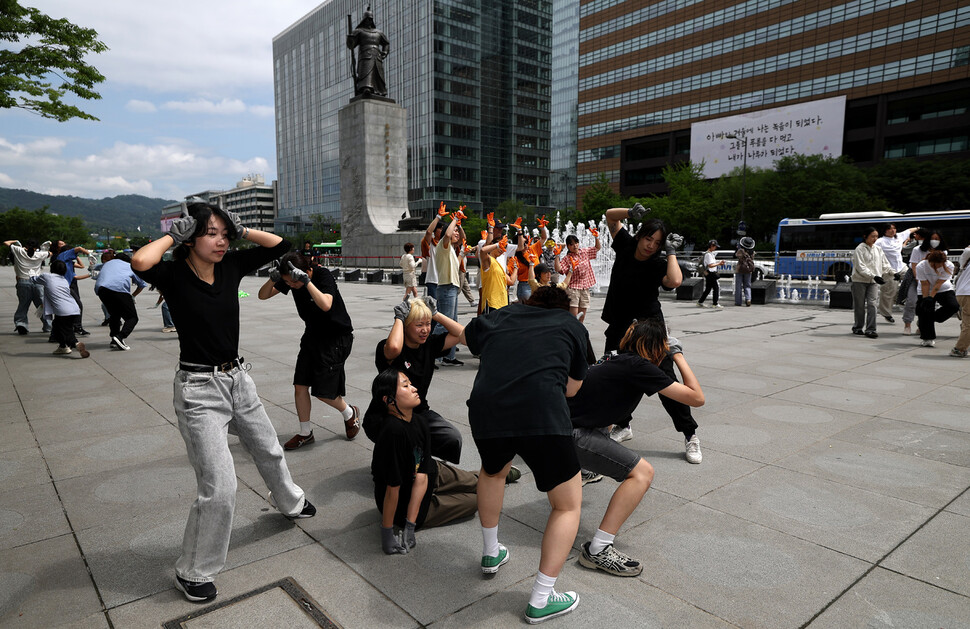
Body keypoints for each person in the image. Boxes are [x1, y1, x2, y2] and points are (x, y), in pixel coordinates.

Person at [132, 202, 315, 603]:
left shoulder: (231, 266)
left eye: (223, 233)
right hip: (198, 391)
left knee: (268, 447)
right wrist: (173, 234)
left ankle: (291, 502)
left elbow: (282, 243)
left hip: (238, 379)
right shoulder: (174, 274)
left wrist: (242, 229)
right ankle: (193, 570)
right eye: (210, 232)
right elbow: (142, 261)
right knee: (220, 485)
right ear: (190, 236)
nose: (220, 240)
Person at [462, 286, 589, 624]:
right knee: (567, 505)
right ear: (565, 309)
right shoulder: (572, 325)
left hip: (488, 410)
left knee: (492, 472)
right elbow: (573, 388)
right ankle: (541, 598)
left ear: (528, 301)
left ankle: (491, 553)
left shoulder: (501, 314)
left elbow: (469, 337)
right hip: (542, 413)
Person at [570, 320, 704, 577]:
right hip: (572, 435)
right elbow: (697, 398)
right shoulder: (639, 367)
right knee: (642, 474)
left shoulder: (614, 358)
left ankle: (582, 468)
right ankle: (598, 550)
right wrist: (677, 356)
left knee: (606, 427)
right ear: (655, 347)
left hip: (557, 427)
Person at [600, 206, 701, 464]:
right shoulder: (623, 244)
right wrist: (630, 213)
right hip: (620, 326)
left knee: (665, 379)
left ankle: (690, 434)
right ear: (640, 235)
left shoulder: (658, 263)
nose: (651, 246)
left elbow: (675, 281)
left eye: (657, 243)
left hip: (650, 329)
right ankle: (623, 425)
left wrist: (671, 252)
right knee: (611, 376)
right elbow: (611, 216)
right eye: (648, 239)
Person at [367, 368, 483, 555]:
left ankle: (495, 476)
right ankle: (489, 479)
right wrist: (398, 529)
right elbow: (392, 489)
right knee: (479, 501)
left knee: (478, 483)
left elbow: (421, 476)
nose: (413, 388)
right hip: (405, 505)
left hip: (430, 473)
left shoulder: (420, 422)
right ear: (388, 400)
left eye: (411, 383)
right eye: (405, 385)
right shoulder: (392, 433)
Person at [257, 252, 360, 450]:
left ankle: (349, 413)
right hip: (312, 335)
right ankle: (306, 433)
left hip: (336, 338)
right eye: (287, 283)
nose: (290, 286)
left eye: (292, 282)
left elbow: (326, 304)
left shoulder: (322, 276)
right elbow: (263, 295)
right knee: (300, 385)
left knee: (323, 392)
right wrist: (274, 279)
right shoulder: (290, 279)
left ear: (307, 271)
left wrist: (305, 283)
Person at [370, 297, 464, 463]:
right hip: (388, 416)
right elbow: (394, 348)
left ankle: (417, 457)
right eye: (419, 325)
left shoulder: (429, 345)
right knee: (403, 445)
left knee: (452, 438)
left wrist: (435, 314)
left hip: (419, 412)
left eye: (428, 324)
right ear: (405, 326)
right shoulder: (387, 347)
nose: (425, 330)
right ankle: (394, 459)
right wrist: (399, 317)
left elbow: (463, 334)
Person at [34, 259, 89, 358]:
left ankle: (76, 344)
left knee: (66, 330)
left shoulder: (47, 277)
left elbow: (34, 279)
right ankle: (62, 347)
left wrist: (30, 273)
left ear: (52, 268)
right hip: (74, 308)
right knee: (57, 326)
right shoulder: (64, 280)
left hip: (63, 311)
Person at [95, 252, 147, 351]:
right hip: (119, 290)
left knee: (114, 315)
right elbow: (142, 284)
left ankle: (114, 340)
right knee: (132, 318)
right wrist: (133, 296)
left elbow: (95, 270)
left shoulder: (107, 263)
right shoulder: (129, 266)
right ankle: (120, 337)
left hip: (102, 290)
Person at [433, 209, 464, 366]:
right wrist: (455, 219)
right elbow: (447, 235)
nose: (457, 234)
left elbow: (462, 238)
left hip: (452, 288)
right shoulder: (443, 245)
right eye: (455, 231)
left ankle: (448, 356)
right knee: (443, 323)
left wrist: (458, 223)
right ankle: (430, 355)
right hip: (446, 288)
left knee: (453, 323)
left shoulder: (451, 248)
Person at [4, 238, 52, 335]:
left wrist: (16, 241)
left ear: (26, 245)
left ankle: (21, 324)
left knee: (23, 304)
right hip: (37, 282)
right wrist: (43, 248)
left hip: (23, 281)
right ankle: (48, 325)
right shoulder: (40, 254)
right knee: (42, 304)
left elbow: (6, 243)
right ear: (36, 247)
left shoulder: (19, 250)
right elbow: (50, 253)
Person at [850, 226, 890, 339]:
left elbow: (885, 264)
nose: (875, 238)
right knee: (860, 305)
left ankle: (871, 330)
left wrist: (893, 273)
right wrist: (874, 276)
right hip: (859, 281)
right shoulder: (859, 249)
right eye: (872, 236)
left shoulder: (878, 249)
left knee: (872, 304)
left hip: (873, 282)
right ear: (865, 236)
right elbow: (860, 267)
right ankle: (858, 327)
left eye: (876, 236)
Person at [904, 229, 946, 335]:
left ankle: (922, 324)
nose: (934, 241)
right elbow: (914, 266)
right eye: (932, 239)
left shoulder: (943, 251)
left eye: (937, 239)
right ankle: (907, 324)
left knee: (928, 303)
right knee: (911, 301)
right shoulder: (917, 250)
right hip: (915, 278)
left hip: (933, 280)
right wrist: (919, 279)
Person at [875, 223, 919, 323]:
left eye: (894, 229)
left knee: (913, 277)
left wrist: (918, 228)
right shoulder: (880, 241)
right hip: (889, 270)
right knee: (889, 291)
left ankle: (903, 298)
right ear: (885, 231)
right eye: (890, 229)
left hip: (902, 267)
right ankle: (886, 313)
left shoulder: (899, 236)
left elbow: (909, 230)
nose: (893, 231)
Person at [915, 249, 958, 348]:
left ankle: (931, 318)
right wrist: (926, 299)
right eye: (936, 265)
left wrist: (932, 296)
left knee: (953, 306)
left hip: (943, 288)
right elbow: (925, 284)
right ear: (931, 261)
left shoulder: (949, 265)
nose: (938, 267)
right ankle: (927, 338)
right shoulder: (921, 266)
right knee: (925, 310)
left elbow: (939, 283)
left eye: (941, 265)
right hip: (924, 289)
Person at [53, 241, 92, 336]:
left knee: (65, 309)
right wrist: (89, 254)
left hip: (66, 286)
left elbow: (75, 277)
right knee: (77, 306)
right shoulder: (63, 255)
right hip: (64, 286)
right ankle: (76, 327)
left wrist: (90, 274)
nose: (76, 254)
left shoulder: (68, 262)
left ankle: (56, 333)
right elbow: (78, 248)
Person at [564, 229, 601, 320]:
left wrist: (596, 237)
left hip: (585, 288)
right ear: (568, 246)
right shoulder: (567, 258)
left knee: (581, 317)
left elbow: (597, 248)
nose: (575, 246)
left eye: (576, 243)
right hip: (573, 289)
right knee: (574, 317)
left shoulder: (584, 252)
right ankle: (571, 333)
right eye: (571, 244)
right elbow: (559, 269)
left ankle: (580, 333)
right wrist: (557, 256)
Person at [478, 234, 514, 313]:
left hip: (502, 303)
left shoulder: (498, 264)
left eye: (504, 247)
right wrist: (497, 245)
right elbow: (483, 251)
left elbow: (511, 282)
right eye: (501, 245)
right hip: (491, 304)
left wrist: (516, 267)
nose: (502, 248)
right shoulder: (488, 260)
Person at [950, 245, 970, 358]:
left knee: (966, 323)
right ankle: (960, 349)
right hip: (967, 294)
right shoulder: (967, 256)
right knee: (968, 324)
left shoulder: (966, 260)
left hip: (963, 293)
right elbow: (967, 250)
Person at [697, 239, 723, 309]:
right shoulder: (708, 254)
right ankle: (715, 303)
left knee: (708, 289)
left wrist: (718, 263)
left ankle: (700, 302)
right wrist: (719, 263)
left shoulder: (710, 253)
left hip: (709, 273)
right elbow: (710, 265)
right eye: (715, 246)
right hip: (710, 273)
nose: (716, 248)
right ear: (711, 246)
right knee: (716, 288)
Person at [734, 237, 756, 307]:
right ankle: (748, 299)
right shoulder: (752, 252)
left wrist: (738, 248)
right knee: (747, 286)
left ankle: (738, 301)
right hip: (748, 270)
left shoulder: (740, 251)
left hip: (739, 269)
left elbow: (735, 255)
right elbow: (752, 259)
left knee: (738, 286)